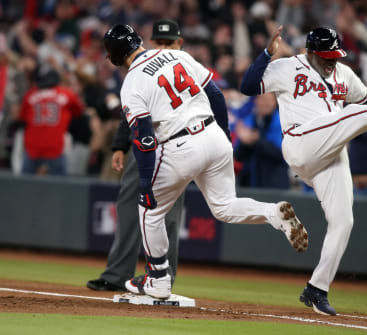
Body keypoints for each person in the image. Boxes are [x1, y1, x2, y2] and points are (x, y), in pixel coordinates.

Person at [240, 26, 367, 315]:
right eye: (326, 55)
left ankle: (317, 289)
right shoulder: (286, 66)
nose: (332, 59)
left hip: (330, 150)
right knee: (347, 115)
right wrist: (268, 53)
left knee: (343, 220)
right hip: (300, 142)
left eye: (335, 54)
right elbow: (247, 86)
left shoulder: (343, 74)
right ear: (310, 52)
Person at [102, 24, 308, 299]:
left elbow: (143, 138)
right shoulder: (178, 55)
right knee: (225, 206)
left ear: (115, 56)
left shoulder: (132, 82)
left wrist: (144, 182)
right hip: (213, 135)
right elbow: (216, 95)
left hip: (178, 144)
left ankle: (158, 279)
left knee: (149, 212)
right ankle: (273, 214)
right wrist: (223, 138)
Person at [87, 20, 189, 291]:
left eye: (171, 42)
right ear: (151, 42)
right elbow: (128, 111)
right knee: (129, 206)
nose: (165, 46)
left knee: (167, 215)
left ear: (180, 44)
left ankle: (162, 279)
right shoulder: (141, 70)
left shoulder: (184, 65)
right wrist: (120, 145)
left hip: (176, 145)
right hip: (143, 147)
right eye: (161, 41)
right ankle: (117, 275)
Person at [18, 66, 83, 175]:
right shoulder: (66, 94)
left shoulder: (31, 94)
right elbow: (78, 111)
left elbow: (22, 118)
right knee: (60, 186)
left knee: (25, 185)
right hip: (54, 148)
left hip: (32, 147)